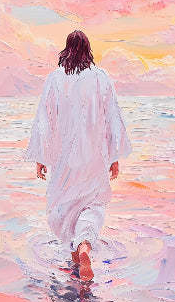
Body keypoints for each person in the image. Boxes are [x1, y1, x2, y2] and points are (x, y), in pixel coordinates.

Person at [25, 30, 132, 281]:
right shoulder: (101, 78)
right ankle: (84, 246)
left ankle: (76, 255)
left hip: (65, 159)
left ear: (67, 49)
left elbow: (44, 120)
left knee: (64, 204)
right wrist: (114, 156)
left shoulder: (54, 79)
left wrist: (41, 157)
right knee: (92, 204)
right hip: (94, 157)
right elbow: (112, 118)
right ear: (87, 50)